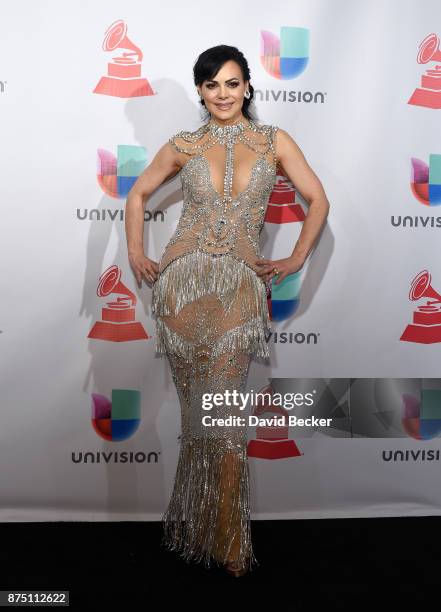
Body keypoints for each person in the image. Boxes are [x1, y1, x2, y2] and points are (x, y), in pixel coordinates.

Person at [125, 44, 330, 577]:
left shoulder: (273, 140)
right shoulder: (185, 145)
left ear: (247, 88)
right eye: (212, 84)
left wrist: (296, 256)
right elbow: (139, 194)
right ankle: (196, 525)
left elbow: (318, 200)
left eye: (232, 83)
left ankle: (230, 540)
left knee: (224, 420)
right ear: (200, 90)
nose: (222, 94)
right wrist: (136, 252)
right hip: (180, 287)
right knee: (199, 420)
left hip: (239, 286)